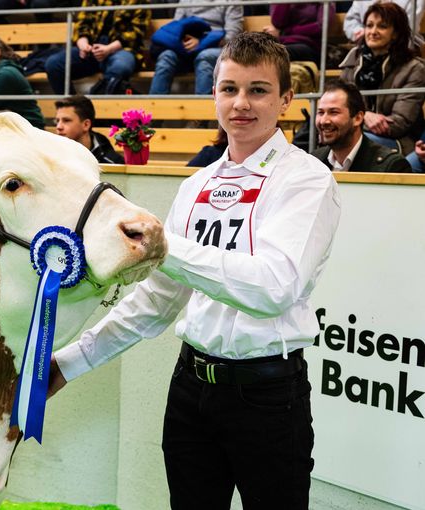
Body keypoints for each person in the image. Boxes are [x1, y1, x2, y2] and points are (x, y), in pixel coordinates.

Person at [50, 32, 341, 510]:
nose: (241, 103)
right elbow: (157, 301)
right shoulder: (197, 184)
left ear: (286, 99)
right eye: (229, 89)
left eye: (258, 90)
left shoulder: (307, 179)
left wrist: (167, 248)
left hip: (268, 396)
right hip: (190, 389)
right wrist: (70, 361)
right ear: (213, 95)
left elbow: (273, 287)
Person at [339, 2, 425, 153]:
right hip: (357, 132)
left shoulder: (414, 68)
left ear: (396, 33)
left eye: (382, 26)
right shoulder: (353, 62)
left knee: (353, 142)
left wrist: (355, 119)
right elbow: (339, 109)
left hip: (401, 141)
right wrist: (364, 117)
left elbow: (398, 124)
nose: (373, 31)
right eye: (369, 25)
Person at [44, 0, 150, 95]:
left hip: (122, 49)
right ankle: (73, 107)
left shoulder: (140, 1)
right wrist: (83, 43)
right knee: (54, 64)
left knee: (120, 67)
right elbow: (82, 23)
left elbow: (136, 33)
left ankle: (100, 109)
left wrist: (108, 49)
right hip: (91, 48)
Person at [312, 79, 411, 172]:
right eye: (320, 113)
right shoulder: (314, 160)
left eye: (334, 112)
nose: (324, 121)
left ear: (358, 118)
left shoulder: (391, 166)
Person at [148, 0, 243, 96]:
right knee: (167, 56)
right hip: (186, 48)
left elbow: (232, 36)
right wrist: (183, 40)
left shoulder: (231, 1)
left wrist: (201, 42)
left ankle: (202, 108)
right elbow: (175, 28)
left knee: (205, 56)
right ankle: (153, 107)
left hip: (216, 46)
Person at [54, 94, 124, 164]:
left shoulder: (111, 161)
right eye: (57, 121)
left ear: (86, 125)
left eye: (66, 120)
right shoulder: (50, 155)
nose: (59, 127)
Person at [263, 3, 336, 64]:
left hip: (310, 46)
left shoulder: (322, 3)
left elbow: (321, 27)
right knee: (267, 52)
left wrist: (285, 32)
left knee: (276, 53)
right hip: (283, 43)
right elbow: (277, 23)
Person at [344, 0, 425, 43]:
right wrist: (362, 32)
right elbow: (351, 21)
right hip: (367, 45)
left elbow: (407, 30)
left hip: (405, 47)